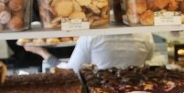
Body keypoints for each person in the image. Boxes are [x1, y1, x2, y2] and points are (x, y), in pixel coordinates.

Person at [24, 32, 155, 72]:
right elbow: (149, 58)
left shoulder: (92, 35)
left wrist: (42, 52)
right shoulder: (145, 34)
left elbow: (71, 71)